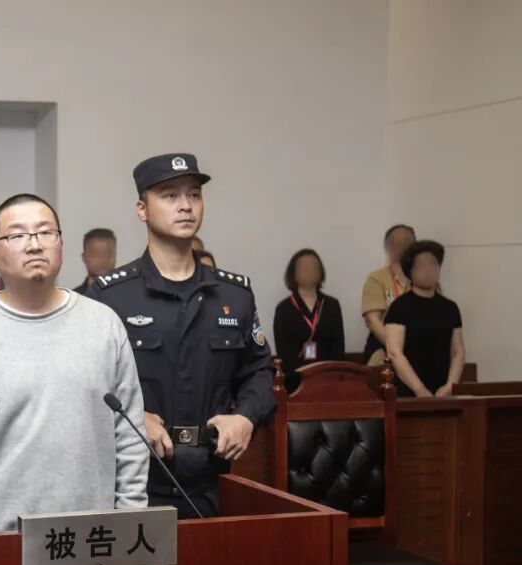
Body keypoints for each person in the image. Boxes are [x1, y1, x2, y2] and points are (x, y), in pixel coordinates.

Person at [0, 193, 148, 534]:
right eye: (17, 235)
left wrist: (131, 524)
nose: (34, 245)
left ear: (61, 245)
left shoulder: (104, 325)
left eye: (46, 232)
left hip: (94, 538)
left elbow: (130, 438)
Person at [88, 153, 275, 519]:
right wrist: (131, 417)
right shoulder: (110, 296)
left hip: (211, 479)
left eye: (194, 195)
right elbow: (84, 381)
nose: (186, 205)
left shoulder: (234, 295)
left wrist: (246, 417)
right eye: (170, 195)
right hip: (132, 481)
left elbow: (259, 371)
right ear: (142, 210)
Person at [385, 240, 464, 398]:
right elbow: (395, 353)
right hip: (408, 392)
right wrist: (419, 389)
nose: (428, 270)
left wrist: (450, 385)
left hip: (443, 391)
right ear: (410, 272)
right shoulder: (399, 307)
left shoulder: (450, 307)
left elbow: (458, 351)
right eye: (421, 265)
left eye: (433, 264)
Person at [272, 249, 345, 392]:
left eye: (313, 266)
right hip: (296, 382)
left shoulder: (332, 305)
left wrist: (331, 373)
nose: (308, 270)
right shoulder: (284, 308)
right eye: (303, 267)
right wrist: (303, 376)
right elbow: (283, 351)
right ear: (293, 273)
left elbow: (338, 347)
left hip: (329, 379)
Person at [362, 223, 416, 365]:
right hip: (384, 343)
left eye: (407, 243)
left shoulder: (424, 278)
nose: (402, 247)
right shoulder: (376, 278)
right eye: (396, 243)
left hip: (418, 342)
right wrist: (398, 347)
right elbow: (373, 322)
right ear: (387, 247)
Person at [72, 227, 118, 294]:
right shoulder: (75, 297)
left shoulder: (128, 294)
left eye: (107, 254)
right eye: (96, 254)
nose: (102, 260)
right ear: (84, 257)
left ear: (115, 255)